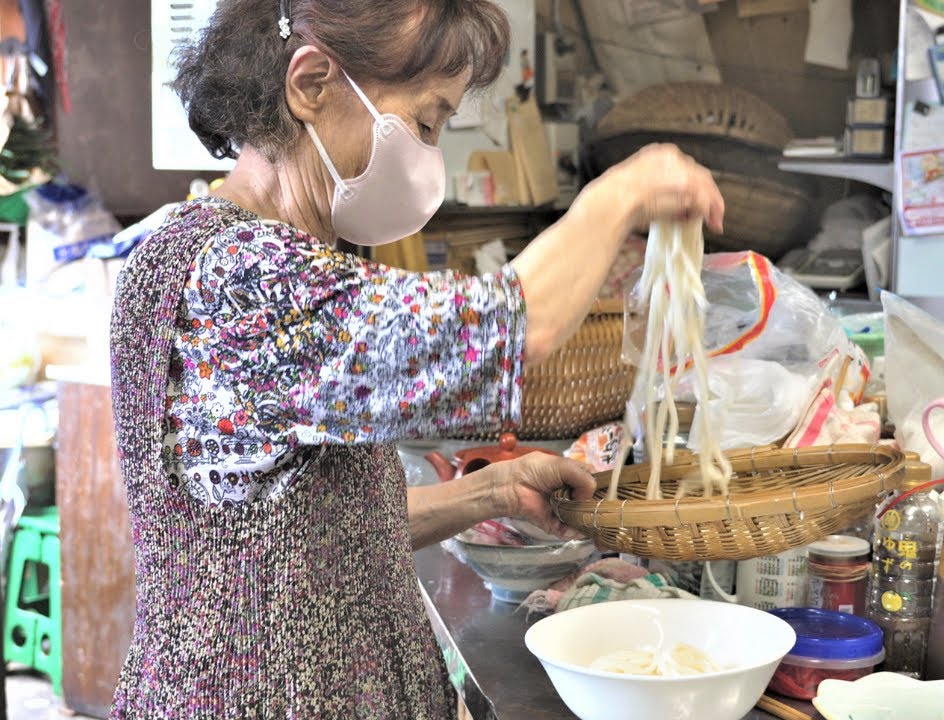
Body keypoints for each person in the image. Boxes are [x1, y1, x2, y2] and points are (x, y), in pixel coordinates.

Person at [108, 1, 724, 717]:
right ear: (310, 84)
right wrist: (618, 195)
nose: (430, 155)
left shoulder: (210, 247)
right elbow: (509, 330)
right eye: (427, 123)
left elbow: (305, 526)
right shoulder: (243, 278)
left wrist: (488, 495)